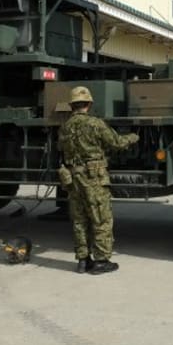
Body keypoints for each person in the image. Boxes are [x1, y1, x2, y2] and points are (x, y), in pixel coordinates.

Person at [57, 86, 138, 274]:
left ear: (72, 105)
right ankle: (101, 262)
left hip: (74, 179)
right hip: (94, 179)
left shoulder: (66, 126)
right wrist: (134, 136)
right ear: (89, 104)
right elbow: (117, 143)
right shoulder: (95, 124)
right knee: (101, 219)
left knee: (79, 219)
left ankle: (83, 261)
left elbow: (61, 148)